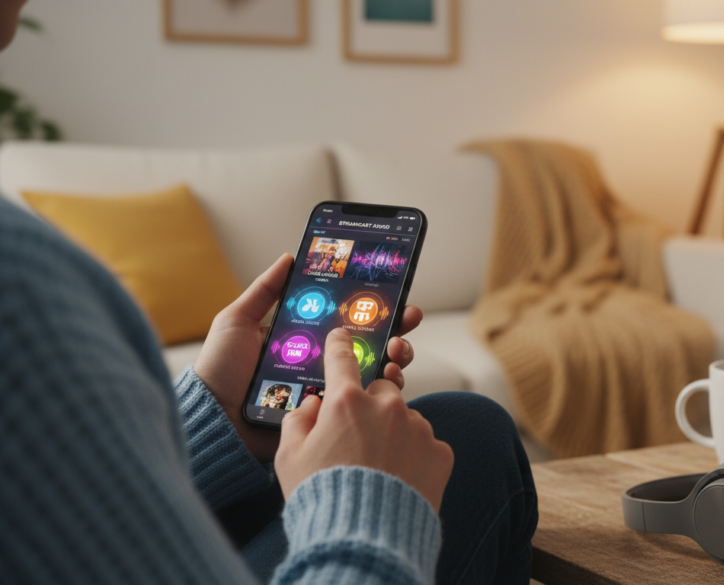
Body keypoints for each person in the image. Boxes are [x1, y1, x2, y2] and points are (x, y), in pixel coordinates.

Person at [0, 1, 537, 583]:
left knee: (463, 419)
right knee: (471, 438)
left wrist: (218, 418)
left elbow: (71, 516)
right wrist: (365, 498)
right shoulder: (20, 277)